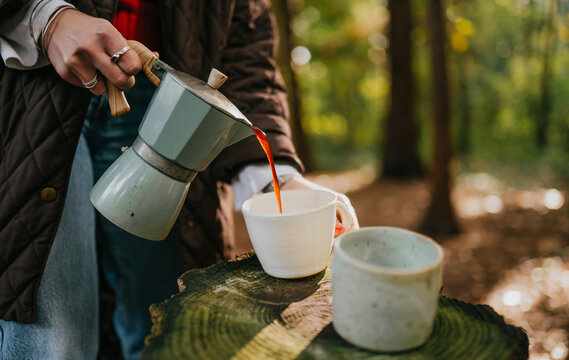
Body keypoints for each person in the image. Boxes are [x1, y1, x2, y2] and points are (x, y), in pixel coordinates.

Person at [0, 0, 359, 359]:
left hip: (161, 99)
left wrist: (278, 175)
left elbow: (246, 45)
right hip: (30, 91)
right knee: (52, 337)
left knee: (160, 321)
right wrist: (44, 18)